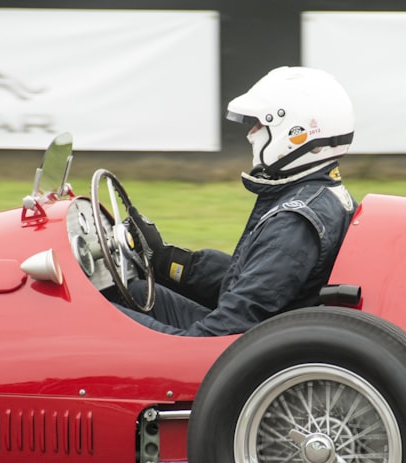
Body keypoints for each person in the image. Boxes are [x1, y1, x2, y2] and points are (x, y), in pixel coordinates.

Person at [120, 66, 357, 336]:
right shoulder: (321, 194)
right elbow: (249, 281)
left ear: (296, 132)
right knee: (132, 291)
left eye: (259, 124)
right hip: (263, 341)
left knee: (102, 315)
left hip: (239, 354)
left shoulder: (294, 223)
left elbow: (223, 331)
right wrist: (166, 261)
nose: (250, 134)